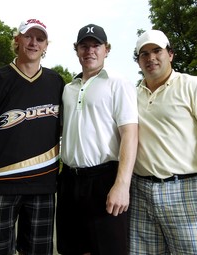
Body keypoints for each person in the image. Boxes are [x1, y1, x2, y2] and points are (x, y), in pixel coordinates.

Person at [129, 29, 197, 254]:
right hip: (140, 192)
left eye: (157, 51)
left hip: (186, 189)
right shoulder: (131, 95)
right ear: (138, 61)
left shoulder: (195, 86)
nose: (151, 58)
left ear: (170, 54)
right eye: (143, 54)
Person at [0, 18, 65, 255]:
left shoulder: (56, 82)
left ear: (46, 45)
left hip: (43, 183)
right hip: (1, 183)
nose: (33, 43)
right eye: (28, 36)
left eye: (40, 39)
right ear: (17, 40)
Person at [56, 24, 139, 255]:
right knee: (71, 248)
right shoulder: (68, 88)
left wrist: (122, 185)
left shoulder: (118, 83)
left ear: (107, 49)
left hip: (104, 179)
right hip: (70, 180)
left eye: (96, 46)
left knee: (108, 249)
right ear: (76, 49)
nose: (89, 51)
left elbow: (130, 134)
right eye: (84, 46)